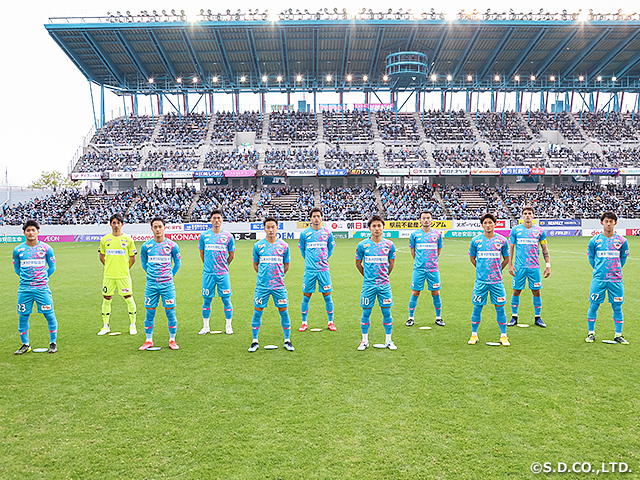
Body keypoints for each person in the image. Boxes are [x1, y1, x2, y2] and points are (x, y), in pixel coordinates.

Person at [12, 220, 58, 354]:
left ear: (38, 231)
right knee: (23, 316)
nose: (31, 232)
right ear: (24, 233)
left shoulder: (46, 248)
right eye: (28, 230)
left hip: (42, 289)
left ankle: (53, 343)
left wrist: (43, 279)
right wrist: (27, 280)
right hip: (24, 289)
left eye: (33, 230)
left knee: (49, 314)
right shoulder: (18, 250)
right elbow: (17, 269)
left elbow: (52, 267)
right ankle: (25, 344)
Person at [249, 217, 294, 352]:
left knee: (284, 312)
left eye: (273, 227)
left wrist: (278, 276)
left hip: (279, 286)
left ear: (277, 228)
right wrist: (264, 276)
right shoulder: (258, 246)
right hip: (262, 286)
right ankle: (254, 341)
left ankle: (287, 340)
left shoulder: (284, 246)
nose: (270, 229)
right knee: (257, 312)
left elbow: (286, 265)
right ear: (264, 228)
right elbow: (256, 265)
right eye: (268, 227)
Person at [585, 211, 629, 344]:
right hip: (599, 279)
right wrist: (598, 269)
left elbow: (623, 258)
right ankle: (591, 333)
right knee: (594, 305)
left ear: (615, 223)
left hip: (616, 280)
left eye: (611, 221)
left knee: (617, 307)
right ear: (602, 223)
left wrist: (615, 269)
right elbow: (591, 257)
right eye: (606, 221)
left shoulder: (622, 240)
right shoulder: (595, 240)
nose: (608, 224)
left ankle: (618, 335)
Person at [138, 217, 182, 351]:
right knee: (149, 312)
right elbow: (144, 263)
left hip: (167, 285)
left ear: (164, 228)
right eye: (155, 227)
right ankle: (148, 340)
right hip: (151, 285)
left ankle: (172, 340)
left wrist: (169, 276)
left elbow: (177, 263)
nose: (158, 229)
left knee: (170, 312)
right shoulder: (146, 246)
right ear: (151, 228)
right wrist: (152, 275)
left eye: (160, 227)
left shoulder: (172, 246)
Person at [355, 215, 397, 351]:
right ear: (369, 228)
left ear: (383, 227)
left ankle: (389, 340)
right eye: (374, 226)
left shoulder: (389, 245)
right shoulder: (362, 245)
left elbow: (391, 263)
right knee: (366, 313)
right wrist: (367, 276)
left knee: (387, 313)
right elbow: (358, 263)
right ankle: (364, 340)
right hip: (368, 286)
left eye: (379, 226)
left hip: (384, 285)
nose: (377, 228)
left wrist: (384, 276)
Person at [468, 213, 511, 346]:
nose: (488, 225)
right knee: (477, 308)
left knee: (500, 308)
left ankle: (504, 336)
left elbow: (507, 259)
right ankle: (474, 335)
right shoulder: (476, 241)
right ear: (482, 225)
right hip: (481, 282)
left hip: (497, 282)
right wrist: (481, 269)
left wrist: (498, 269)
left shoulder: (502, 240)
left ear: (495, 224)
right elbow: (472, 258)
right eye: (485, 223)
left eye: (490, 223)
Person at [508, 206, 550, 328]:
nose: (527, 215)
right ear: (522, 216)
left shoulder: (540, 231)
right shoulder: (515, 230)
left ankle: (538, 318)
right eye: (525, 213)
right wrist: (510, 265)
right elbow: (511, 248)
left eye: (529, 213)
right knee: (516, 291)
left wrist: (547, 265)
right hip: (519, 267)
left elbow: (544, 249)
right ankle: (514, 317)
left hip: (534, 267)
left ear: (533, 215)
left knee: (536, 291)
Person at [98, 213, 137, 336]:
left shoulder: (128, 239)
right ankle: (105, 326)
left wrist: (125, 268)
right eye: (113, 223)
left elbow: (132, 258)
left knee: (129, 298)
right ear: (110, 224)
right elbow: (102, 256)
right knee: (106, 299)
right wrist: (110, 266)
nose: (116, 225)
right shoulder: (105, 239)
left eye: (118, 223)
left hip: (123, 275)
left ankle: (132, 325)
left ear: (122, 224)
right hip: (109, 275)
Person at [298, 207, 337, 332]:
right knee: (306, 296)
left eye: (318, 216)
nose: (316, 218)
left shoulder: (327, 233)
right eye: (313, 216)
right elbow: (302, 250)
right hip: (309, 270)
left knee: (327, 296)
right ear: (310, 218)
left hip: (323, 270)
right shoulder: (304, 234)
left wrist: (323, 259)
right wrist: (310, 261)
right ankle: (304, 323)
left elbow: (330, 249)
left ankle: (330, 322)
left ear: (321, 218)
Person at [198, 209, 235, 335]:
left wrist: (223, 266)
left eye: (219, 218)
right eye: (214, 218)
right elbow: (202, 254)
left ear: (222, 220)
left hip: (222, 273)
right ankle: (206, 326)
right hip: (208, 274)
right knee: (207, 300)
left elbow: (231, 255)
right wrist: (208, 266)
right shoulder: (204, 236)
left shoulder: (228, 236)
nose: (216, 220)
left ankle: (228, 326)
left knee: (226, 299)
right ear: (210, 220)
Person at [406, 211, 444, 327]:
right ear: (420, 220)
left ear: (432, 220)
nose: (426, 220)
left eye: (428, 218)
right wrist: (419, 262)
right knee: (415, 292)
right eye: (424, 218)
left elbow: (438, 250)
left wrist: (432, 261)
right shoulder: (414, 235)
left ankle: (438, 317)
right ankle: (411, 317)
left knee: (436, 292)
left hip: (433, 268)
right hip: (419, 269)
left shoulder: (437, 234)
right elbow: (413, 251)